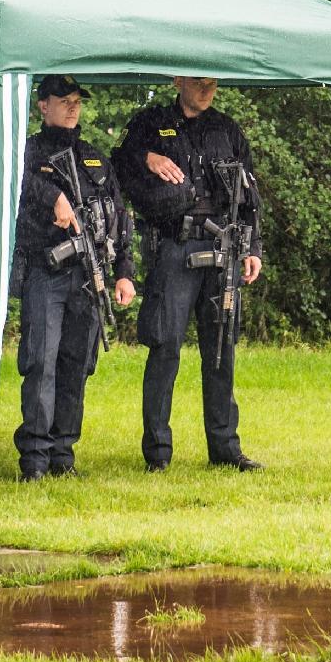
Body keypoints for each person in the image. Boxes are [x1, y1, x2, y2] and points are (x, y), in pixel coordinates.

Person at [114, 76, 263, 472]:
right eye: (198, 82)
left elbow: (250, 195)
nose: (206, 90)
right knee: (165, 348)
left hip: (223, 248)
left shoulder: (227, 129)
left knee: (221, 350)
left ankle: (225, 449)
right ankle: (158, 453)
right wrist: (147, 157)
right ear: (178, 80)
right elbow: (115, 168)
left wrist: (253, 249)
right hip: (175, 248)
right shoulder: (150, 123)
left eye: (212, 83)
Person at [12, 74, 137, 481]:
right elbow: (9, 179)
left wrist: (124, 274)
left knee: (77, 365)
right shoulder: (25, 151)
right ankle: (35, 459)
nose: (72, 107)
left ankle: (62, 456)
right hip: (45, 272)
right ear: (42, 105)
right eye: (63, 100)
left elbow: (119, 217)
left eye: (77, 101)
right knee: (41, 362)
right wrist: (53, 197)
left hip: (89, 275)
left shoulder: (94, 157)